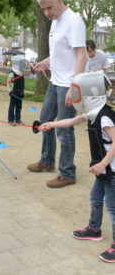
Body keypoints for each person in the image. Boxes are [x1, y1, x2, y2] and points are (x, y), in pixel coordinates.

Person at [38, 71, 115, 263]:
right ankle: (94, 229)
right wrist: (50, 123)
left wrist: (103, 163)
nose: (75, 97)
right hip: (103, 168)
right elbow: (71, 121)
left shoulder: (105, 116)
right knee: (95, 198)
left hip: (111, 170)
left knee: (113, 208)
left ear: (91, 95)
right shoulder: (91, 113)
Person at [27, 0, 87, 188]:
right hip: (54, 82)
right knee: (44, 121)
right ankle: (47, 161)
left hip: (68, 85)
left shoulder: (74, 21)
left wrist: (74, 86)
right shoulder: (54, 21)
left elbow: (81, 55)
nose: (47, 13)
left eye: (49, 8)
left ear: (59, 0)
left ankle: (68, 173)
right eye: (43, 10)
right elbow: (60, 53)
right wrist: (45, 62)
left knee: (64, 130)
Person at [7, 55, 25, 126]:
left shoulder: (22, 72)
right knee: (12, 106)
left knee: (19, 107)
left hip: (20, 92)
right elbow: (8, 83)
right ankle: (11, 120)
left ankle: (18, 120)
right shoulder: (12, 73)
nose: (23, 64)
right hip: (14, 93)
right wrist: (9, 91)